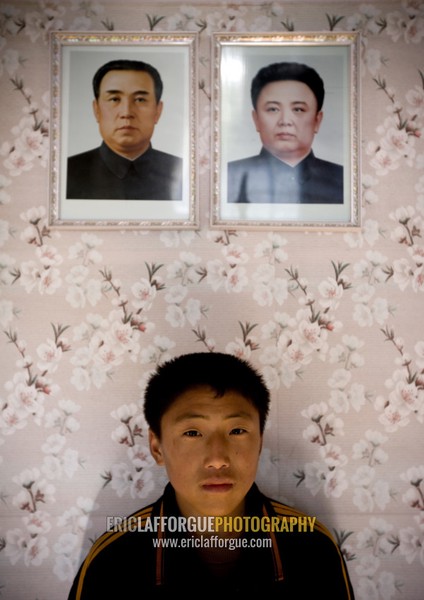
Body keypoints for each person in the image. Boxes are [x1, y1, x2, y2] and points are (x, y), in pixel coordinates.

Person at [68, 352, 355, 598]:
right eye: (193, 432)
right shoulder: (113, 563)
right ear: (156, 447)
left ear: (260, 443)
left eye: (237, 431)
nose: (217, 459)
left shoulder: (314, 552)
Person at [227, 61, 344, 204]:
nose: (285, 121)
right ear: (256, 119)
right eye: (273, 109)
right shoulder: (229, 175)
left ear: (317, 121)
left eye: (298, 109)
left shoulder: (343, 179)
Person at [66, 59, 183, 200]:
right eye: (115, 99)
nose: (126, 112)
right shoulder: (66, 172)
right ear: (96, 109)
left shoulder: (183, 172)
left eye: (140, 99)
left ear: (158, 111)